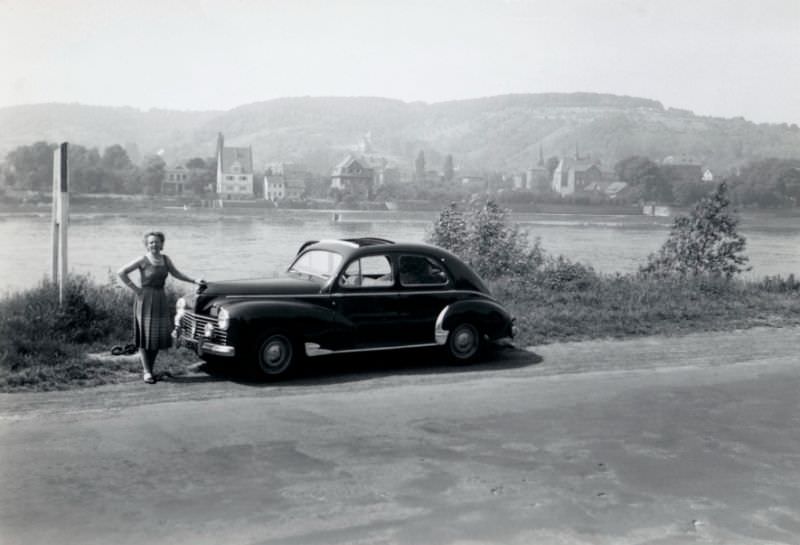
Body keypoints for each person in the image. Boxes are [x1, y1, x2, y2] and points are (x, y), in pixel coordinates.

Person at [118, 231, 204, 384]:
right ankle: (147, 371)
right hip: (144, 299)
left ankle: (151, 369)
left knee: (155, 336)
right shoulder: (142, 260)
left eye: (157, 242)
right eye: (151, 242)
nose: (154, 245)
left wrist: (194, 280)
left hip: (160, 299)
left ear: (162, 244)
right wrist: (136, 289)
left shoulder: (165, 259)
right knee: (145, 336)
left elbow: (176, 273)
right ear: (146, 245)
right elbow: (121, 272)